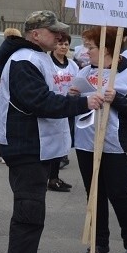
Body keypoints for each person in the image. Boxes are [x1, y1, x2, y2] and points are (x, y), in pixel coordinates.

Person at [0, 10, 103, 253]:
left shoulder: (37, 57)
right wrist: (81, 102)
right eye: (55, 32)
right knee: (28, 215)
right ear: (36, 33)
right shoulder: (24, 60)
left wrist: (75, 92)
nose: (61, 37)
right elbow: (37, 101)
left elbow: (49, 93)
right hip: (27, 149)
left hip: (38, 148)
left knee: (32, 215)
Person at [74, 27, 127, 253]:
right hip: (87, 143)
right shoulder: (85, 73)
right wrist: (73, 96)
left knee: (119, 194)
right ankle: (100, 242)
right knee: (94, 194)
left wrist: (117, 99)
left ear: (107, 49)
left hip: (118, 144)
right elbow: (75, 102)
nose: (86, 53)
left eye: (91, 48)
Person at [47, 32, 79, 192]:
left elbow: (78, 82)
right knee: (51, 143)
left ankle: (54, 176)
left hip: (68, 108)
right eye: (60, 44)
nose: (63, 47)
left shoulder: (73, 65)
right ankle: (49, 177)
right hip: (53, 107)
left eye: (66, 44)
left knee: (62, 143)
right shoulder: (47, 63)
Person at [0, 27, 24, 163]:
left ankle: (0, 152)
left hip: (1, 91)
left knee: (1, 122)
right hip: (13, 92)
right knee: (9, 124)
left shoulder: (3, 50)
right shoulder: (19, 51)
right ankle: (6, 152)